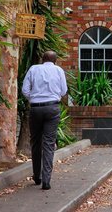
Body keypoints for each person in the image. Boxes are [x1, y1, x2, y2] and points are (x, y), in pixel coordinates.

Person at [21, 50, 68, 191]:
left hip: (36, 108)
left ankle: (37, 176)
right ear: (55, 61)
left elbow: (25, 90)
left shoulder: (34, 69)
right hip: (52, 108)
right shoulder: (59, 70)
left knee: (35, 141)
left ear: (42, 59)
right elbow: (63, 91)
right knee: (48, 143)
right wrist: (53, 97)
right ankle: (46, 180)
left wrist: (33, 99)